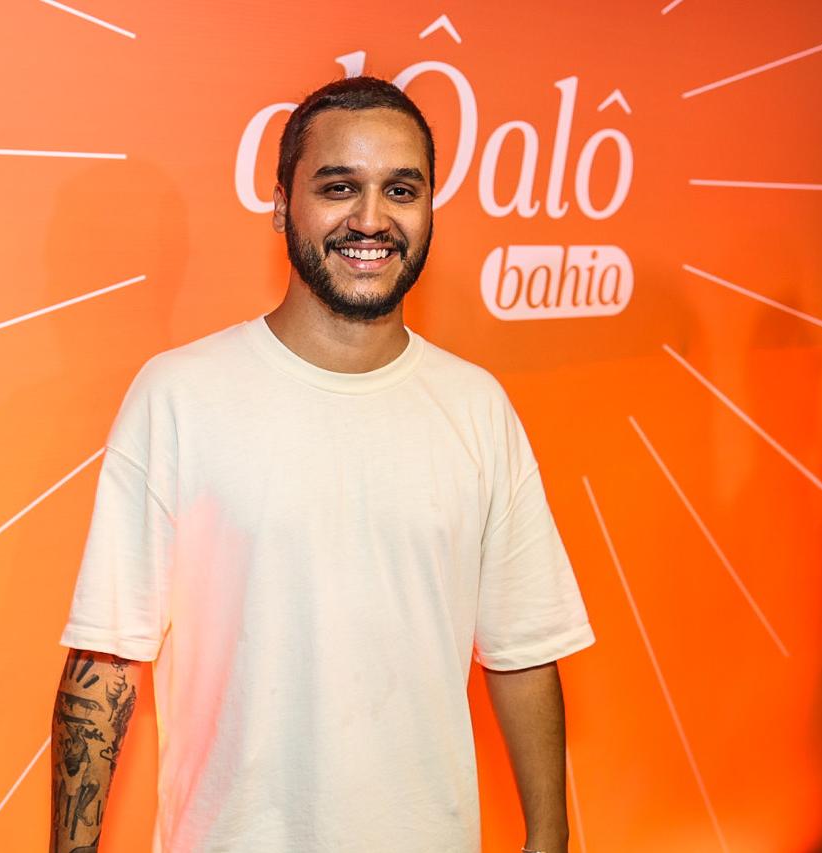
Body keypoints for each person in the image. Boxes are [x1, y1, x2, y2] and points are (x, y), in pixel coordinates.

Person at [49, 76, 594, 853]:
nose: (371, 219)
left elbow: (523, 649)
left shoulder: (477, 407)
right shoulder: (178, 395)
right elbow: (105, 659)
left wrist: (550, 840)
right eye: (339, 187)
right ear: (282, 206)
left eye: (400, 189)